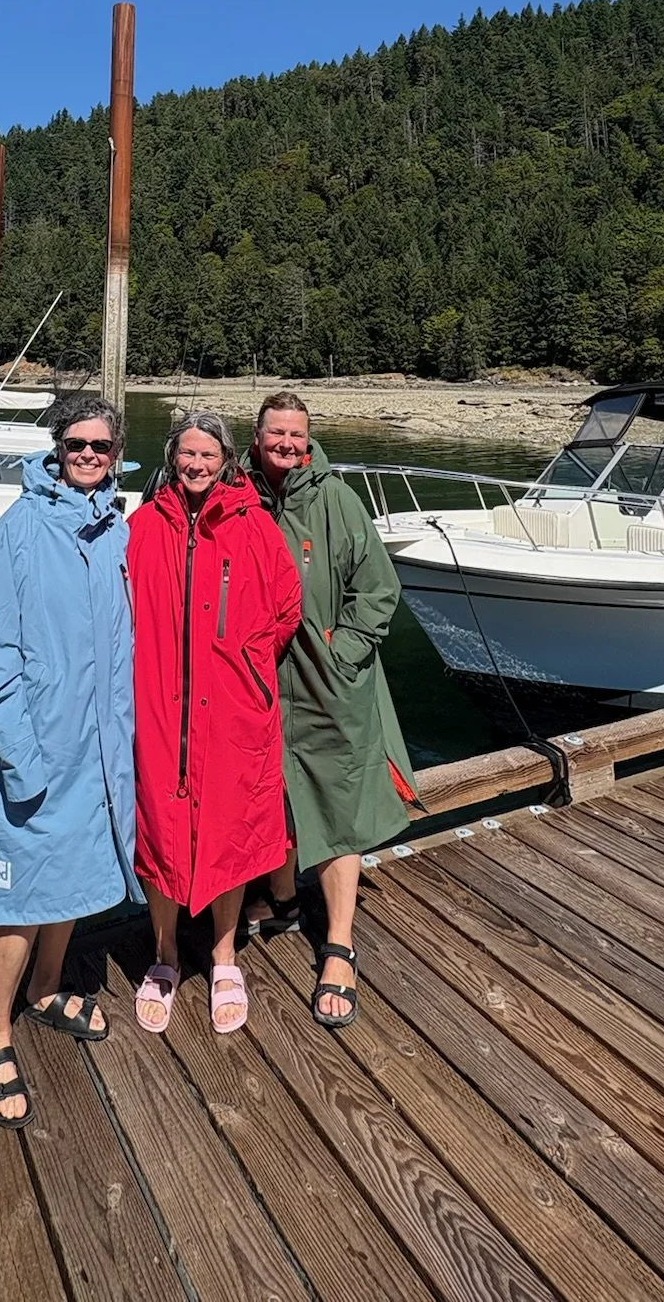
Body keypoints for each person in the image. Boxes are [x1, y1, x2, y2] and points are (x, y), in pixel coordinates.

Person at [0, 392, 137, 1128]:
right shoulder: (20, 528)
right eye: (76, 444)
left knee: (76, 877)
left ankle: (49, 987)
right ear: (57, 449)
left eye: (101, 446)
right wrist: (20, 758)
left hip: (100, 752)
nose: (88, 455)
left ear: (117, 452)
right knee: (18, 897)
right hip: (35, 752)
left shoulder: (118, 530)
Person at [242, 393, 419, 1028]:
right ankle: (283, 898)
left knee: (339, 804)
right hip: (258, 682)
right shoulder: (240, 496)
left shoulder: (338, 501)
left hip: (330, 683)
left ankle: (338, 944)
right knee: (272, 796)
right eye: (276, 434)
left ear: (308, 439)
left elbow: (379, 589)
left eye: (297, 434)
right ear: (256, 436)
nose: (287, 444)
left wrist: (343, 650)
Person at [127, 412, 301, 1035]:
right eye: (186, 455)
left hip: (233, 711)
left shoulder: (254, 525)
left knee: (229, 831)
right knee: (161, 831)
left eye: (207, 456)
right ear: (172, 460)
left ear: (226, 460)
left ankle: (225, 954)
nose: (196, 466)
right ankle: (166, 953)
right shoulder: (144, 526)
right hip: (160, 711)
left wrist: (247, 666)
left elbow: (285, 609)